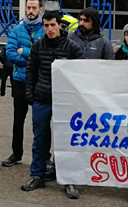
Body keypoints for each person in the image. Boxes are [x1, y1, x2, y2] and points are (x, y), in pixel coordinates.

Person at [22, 10, 83, 196]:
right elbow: (31, 70)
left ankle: (69, 179)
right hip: (41, 100)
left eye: (52, 25)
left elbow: (81, 74)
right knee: (40, 140)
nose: (49, 29)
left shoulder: (73, 47)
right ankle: (37, 175)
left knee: (66, 140)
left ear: (60, 25)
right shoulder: (38, 46)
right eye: (46, 25)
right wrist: (30, 95)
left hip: (64, 103)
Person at [2, 0, 45, 168]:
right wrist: (33, 58)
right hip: (20, 80)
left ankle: (41, 158)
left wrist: (25, 52)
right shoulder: (17, 30)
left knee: (40, 121)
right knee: (18, 119)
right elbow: (10, 54)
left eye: (34, 8)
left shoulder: (45, 29)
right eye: (28, 7)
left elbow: (44, 56)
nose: (30, 11)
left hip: (39, 82)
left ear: (41, 9)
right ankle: (16, 153)